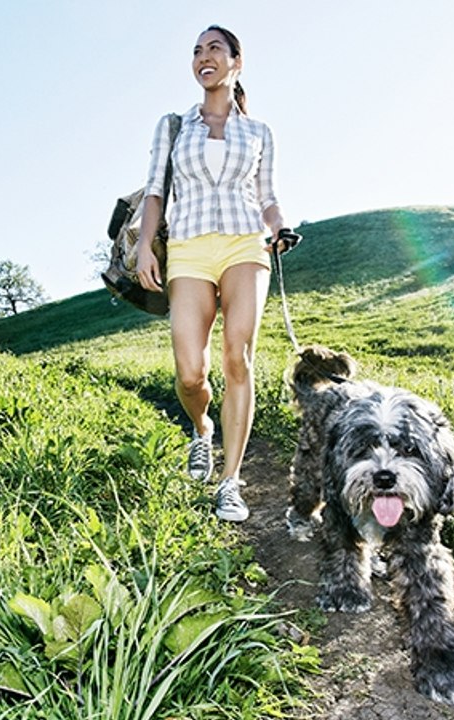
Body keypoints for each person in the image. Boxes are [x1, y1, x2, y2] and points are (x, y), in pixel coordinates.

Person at [135, 25, 297, 523]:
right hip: (188, 247)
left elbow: (266, 198)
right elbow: (154, 192)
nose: (204, 57)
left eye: (214, 49)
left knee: (237, 357)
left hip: (245, 245)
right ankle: (202, 428)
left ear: (236, 62)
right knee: (190, 372)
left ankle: (230, 481)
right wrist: (145, 245)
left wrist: (279, 226)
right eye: (197, 51)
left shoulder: (260, 132)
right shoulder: (173, 127)